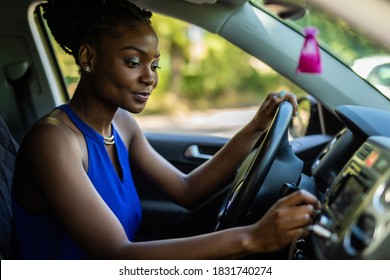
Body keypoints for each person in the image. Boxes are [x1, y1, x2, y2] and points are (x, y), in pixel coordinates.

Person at [11, 0, 320, 260]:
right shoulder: (53, 140)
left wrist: (255, 128)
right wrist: (252, 238)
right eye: (133, 62)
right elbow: (117, 254)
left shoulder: (122, 124)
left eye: (154, 65)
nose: (150, 78)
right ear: (88, 57)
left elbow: (186, 191)